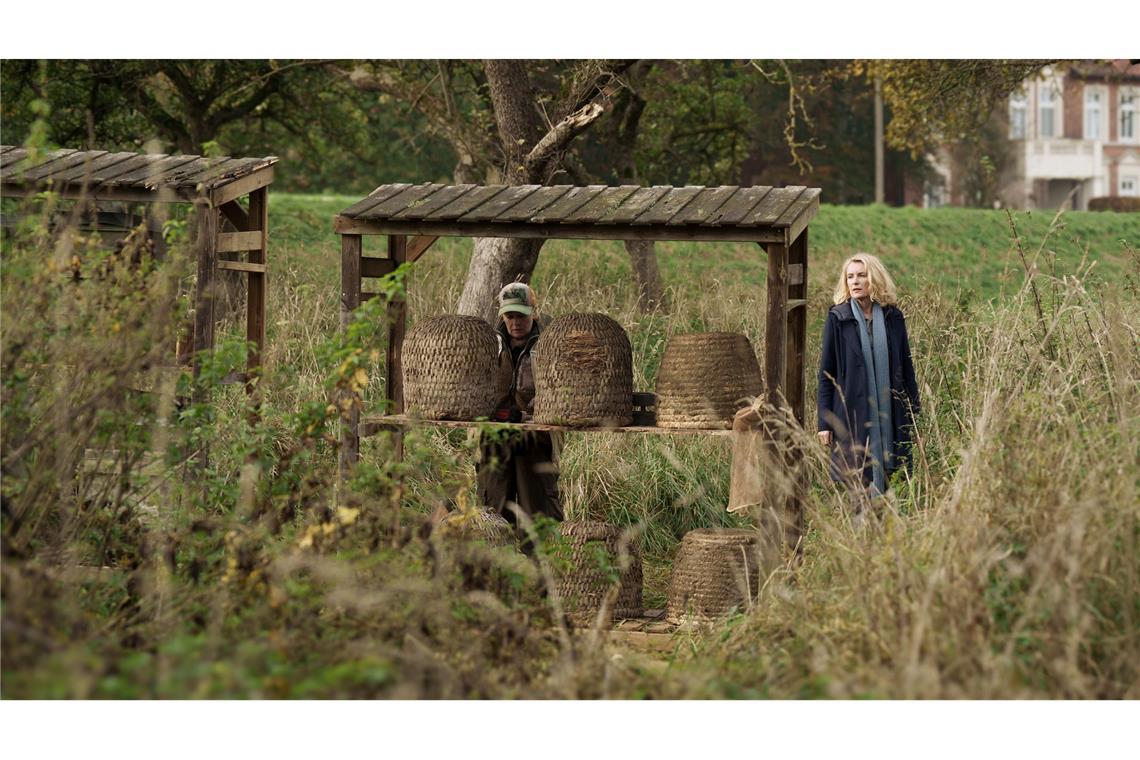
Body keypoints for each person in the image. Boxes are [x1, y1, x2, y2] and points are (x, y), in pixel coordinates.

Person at [816, 253, 920, 510]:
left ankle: (887, 540)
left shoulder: (893, 317)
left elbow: (906, 368)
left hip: (891, 415)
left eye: (861, 275)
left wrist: (914, 414)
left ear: (874, 278)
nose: (855, 281)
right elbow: (826, 374)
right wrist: (824, 423)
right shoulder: (838, 319)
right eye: (850, 276)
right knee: (858, 489)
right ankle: (862, 542)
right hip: (850, 416)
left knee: (894, 487)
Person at [476, 282, 564, 533]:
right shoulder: (487, 344)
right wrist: (497, 413)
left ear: (533, 312)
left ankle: (540, 569)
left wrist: (529, 413)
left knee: (537, 511)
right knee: (494, 508)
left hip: (536, 437)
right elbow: (475, 388)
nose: (515, 322)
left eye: (521, 316)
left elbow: (560, 389)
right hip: (493, 436)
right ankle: (499, 566)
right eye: (509, 316)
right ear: (502, 315)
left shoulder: (550, 343)